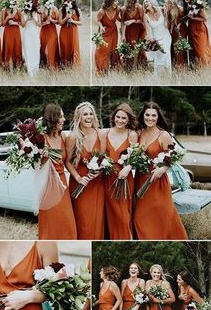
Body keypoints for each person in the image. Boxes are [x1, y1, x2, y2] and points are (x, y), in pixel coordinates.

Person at [134, 101, 188, 240]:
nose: (150, 118)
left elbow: (172, 158)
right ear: (143, 115)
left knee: (161, 216)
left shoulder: (163, 135)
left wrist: (161, 170)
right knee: (140, 218)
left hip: (158, 182)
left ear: (158, 117)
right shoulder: (140, 133)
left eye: (153, 115)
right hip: (141, 180)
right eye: (147, 115)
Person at [66, 102, 104, 239]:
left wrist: (99, 170)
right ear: (78, 118)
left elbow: (104, 159)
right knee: (83, 221)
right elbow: (67, 161)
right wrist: (78, 178)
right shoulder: (72, 137)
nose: (89, 117)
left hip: (97, 183)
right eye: (85, 114)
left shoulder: (100, 134)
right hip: (80, 183)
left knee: (97, 220)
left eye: (91, 114)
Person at [38, 103, 77, 239]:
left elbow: (68, 161)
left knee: (67, 223)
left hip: (63, 185)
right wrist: (43, 158)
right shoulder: (41, 138)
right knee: (51, 223)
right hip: (48, 186)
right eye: (61, 116)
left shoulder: (63, 137)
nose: (64, 119)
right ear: (53, 118)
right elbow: (36, 167)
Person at [102, 103, 138, 239]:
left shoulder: (132, 134)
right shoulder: (105, 133)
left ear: (129, 120)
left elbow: (135, 156)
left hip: (124, 179)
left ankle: (125, 237)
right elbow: (100, 155)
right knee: (111, 213)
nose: (120, 120)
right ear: (114, 117)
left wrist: (128, 168)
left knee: (123, 215)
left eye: (124, 118)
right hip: (107, 178)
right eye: (118, 117)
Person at [183, 0, 211, 66]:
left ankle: (205, 68)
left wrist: (193, 18)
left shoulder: (198, 4)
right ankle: (195, 68)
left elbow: (204, 19)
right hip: (191, 29)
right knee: (193, 50)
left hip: (199, 29)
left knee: (200, 50)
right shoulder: (186, 4)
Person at [143, 0, 172, 72]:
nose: (145, 3)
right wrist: (152, 39)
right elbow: (148, 30)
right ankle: (158, 77)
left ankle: (168, 74)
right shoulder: (145, 16)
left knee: (166, 54)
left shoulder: (161, 10)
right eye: (144, 2)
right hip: (156, 39)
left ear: (152, 2)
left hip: (166, 37)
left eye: (147, 1)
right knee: (158, 57)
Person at [95, 0, 120, 73]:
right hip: (104, 32)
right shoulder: (101, 11)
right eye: (115, 1)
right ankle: (101, 69)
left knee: (112, 50)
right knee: (102, 50)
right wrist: (101, 26)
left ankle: (111, 68)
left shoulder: (117, 9)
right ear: (110, 2)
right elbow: (98, 20)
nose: (117, 2)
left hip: (113, 32)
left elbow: (119, 18)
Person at [121, 0, 147, 67]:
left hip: (140, 29)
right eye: (136, 2)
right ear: (130, 2)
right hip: (130, 30)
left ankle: (142, 66)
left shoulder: (139, 7)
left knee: (141, 47)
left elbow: (142, 20)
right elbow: (122, 22)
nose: (137, 3)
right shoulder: (123, 9)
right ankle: (130, 67)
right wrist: (123, 35)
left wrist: (133, 21)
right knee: (131, 47)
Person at [164, 0, 188, 67]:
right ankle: (175, 65)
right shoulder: (168, 11)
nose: (165, 4)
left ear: (171, 3)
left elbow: (186, 18)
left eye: (167, 3)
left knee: (179, 48)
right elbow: (168, 24)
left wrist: (180, 24)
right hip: (173, 32)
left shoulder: (180, 10)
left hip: (181, 31)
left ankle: (181, 65)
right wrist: (165, 13)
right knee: (173, 48)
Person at [59, 0, 81, 67]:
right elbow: (60, 23)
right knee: (65, 47)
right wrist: (66, 18)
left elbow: (81, 22)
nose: (69, 2)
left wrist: (73, 21)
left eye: (70, 0)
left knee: (74, 47)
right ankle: (65, 65)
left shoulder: (77, 10)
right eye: (67, 1)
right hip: (64, 31)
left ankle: (74, 66)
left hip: (74, 31)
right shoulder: (61, 10)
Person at [2, 0, 22, 70]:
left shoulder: (18, 10)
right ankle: (10, 70)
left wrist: (15, 23)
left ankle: (18, 69)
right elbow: (2, 24)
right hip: (8, 32)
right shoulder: (4, 10)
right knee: (8, 49)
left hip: (16, 32)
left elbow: (21, 23)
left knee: (17, 50)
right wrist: (7, 18)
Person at [21, 0, 41, 76]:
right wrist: (27, 19)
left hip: (35, 34)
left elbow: (39, 24)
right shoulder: (23, 13)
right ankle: (30, 70)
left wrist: (34, 19)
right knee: (28, 50)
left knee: (36, 50)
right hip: (27, 34)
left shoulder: (37, 13)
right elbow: (22, 25)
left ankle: (35, 69)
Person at [40, 0, 59, 69]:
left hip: (52, 32)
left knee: (48, 51)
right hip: (44, 32)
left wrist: (51, 20)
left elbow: (58, 21)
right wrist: (44, 23)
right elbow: (39, 23)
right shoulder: (41, 9)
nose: (48, 1)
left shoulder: (55, 9)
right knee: (43, 50)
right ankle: (46, 67)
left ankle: (52, 66)